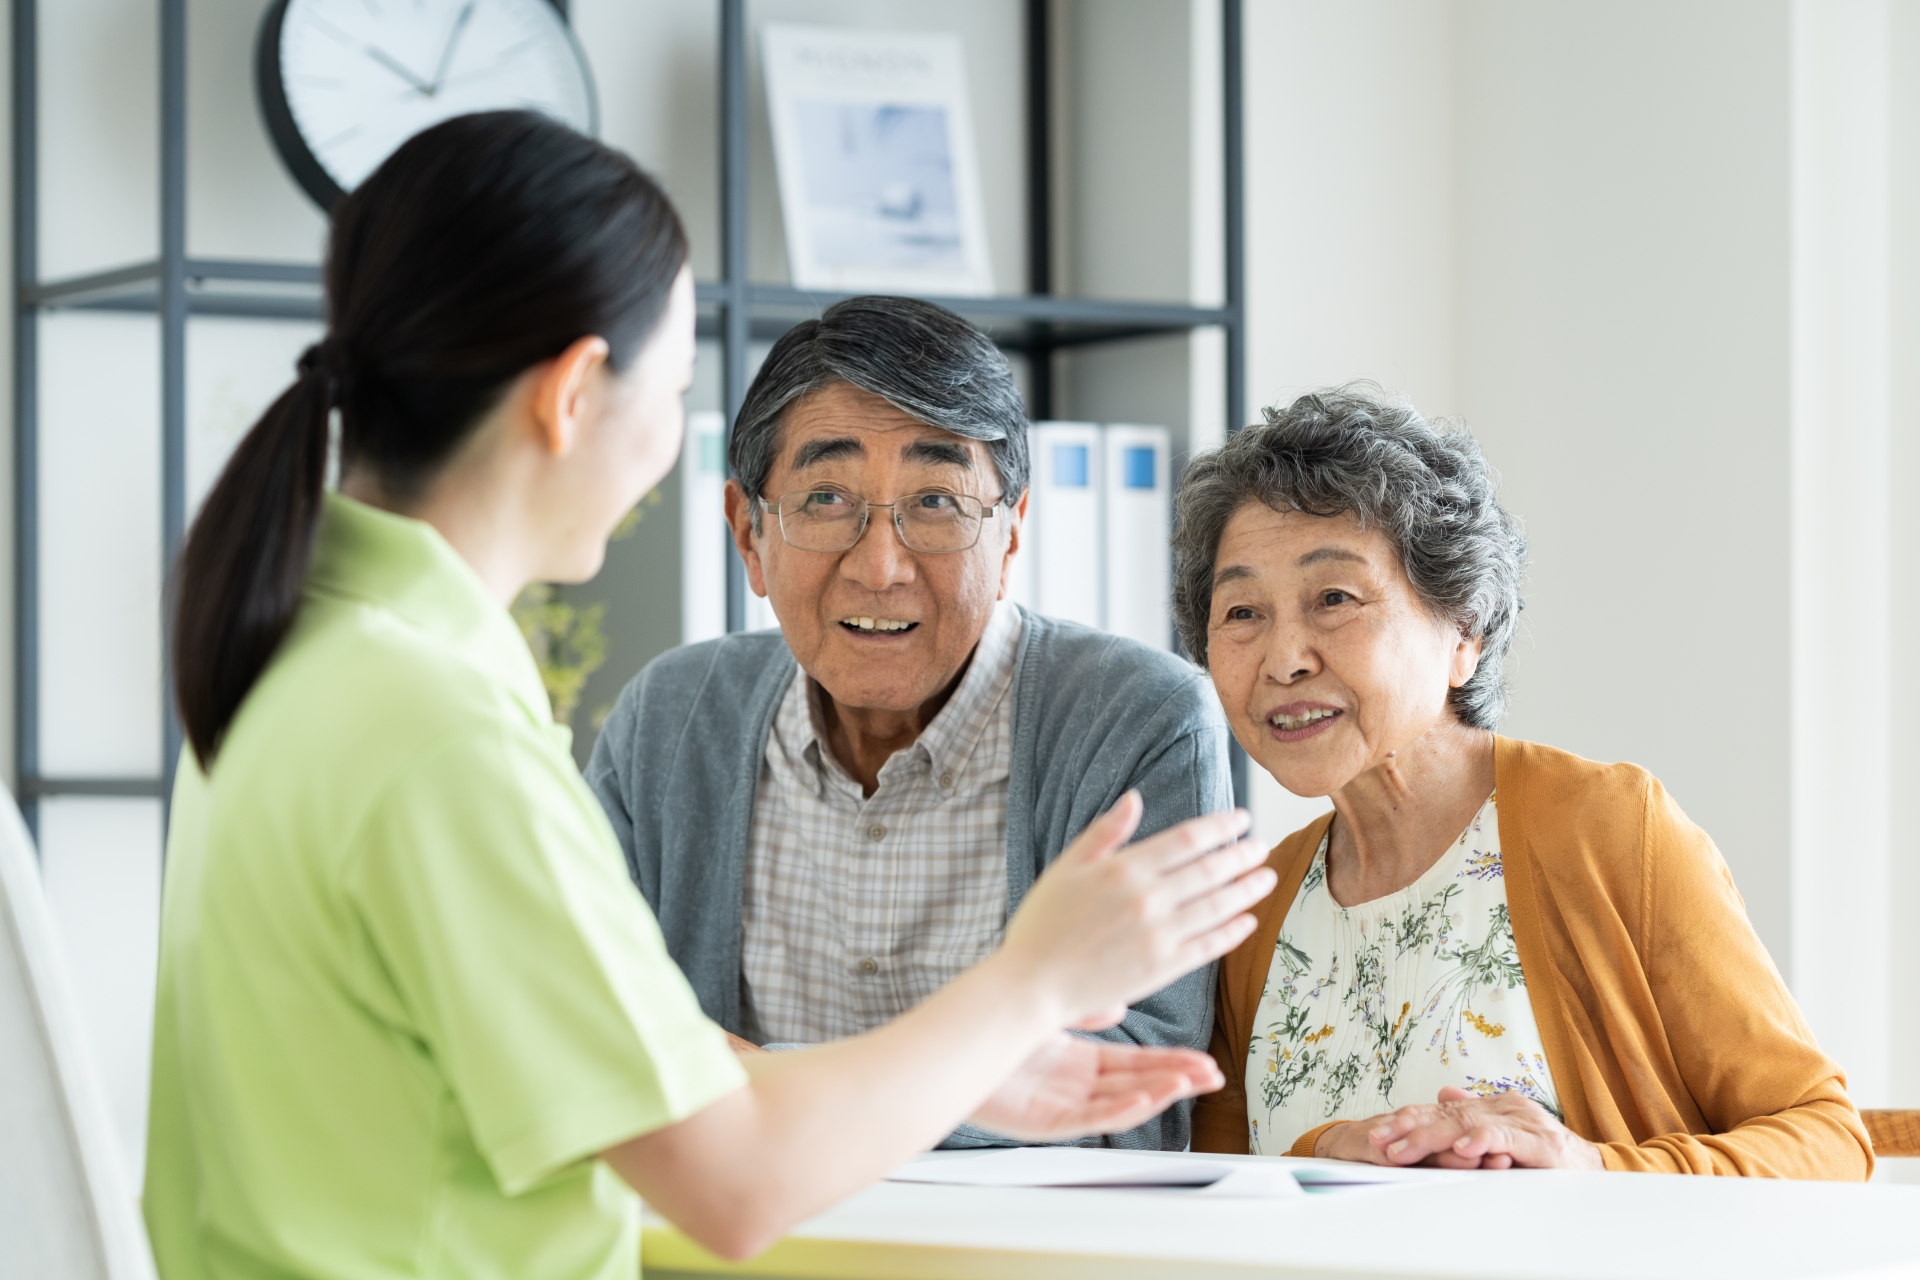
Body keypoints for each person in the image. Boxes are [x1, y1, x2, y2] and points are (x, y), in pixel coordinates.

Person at [145, 111, 1280, 1280]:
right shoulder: (442, 735)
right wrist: (1026, 982)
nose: (880, 559)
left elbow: (638, 1064)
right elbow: (729, 1183)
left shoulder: (303, 658)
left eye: (934, 503)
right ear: (576, 393)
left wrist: (969, 1063)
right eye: (677, 383)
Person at [587, 296, 1234, 1150]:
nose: (882, 566)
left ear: (1010, 535)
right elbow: (589, 1028)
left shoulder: (1140, 720)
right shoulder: (668, 721)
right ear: (749, 535)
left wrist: (752, 1080)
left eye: (936, 501)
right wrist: (960, 1085)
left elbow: (1132, 1089)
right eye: (825, 497)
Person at [1174, 385, 1872, 1177]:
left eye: (1334, 597)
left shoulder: (1609, 828)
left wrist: (1594, 1174)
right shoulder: (1256, 908)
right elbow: (1225, 1210)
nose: (1284, 657)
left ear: (1464, 631)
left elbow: (1828, 1143)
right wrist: (1322, 1155)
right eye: (1241, 612)